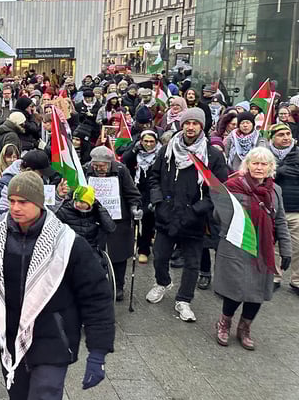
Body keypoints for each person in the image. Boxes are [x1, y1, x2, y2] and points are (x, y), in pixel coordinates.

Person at [0, 171, 115, 400]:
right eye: (12, 200)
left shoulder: (68, 244)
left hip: (53, 342)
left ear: (40, 203)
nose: (16, 207)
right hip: (10, 340)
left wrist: (98, 352)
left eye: (24, 201)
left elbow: (96, 296)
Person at [147, 108, 228, 321]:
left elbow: (219, 190)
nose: (190, 127)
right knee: (160, 257)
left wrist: (196, 210)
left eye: (195, 123)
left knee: (192, 264)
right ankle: (162, 282)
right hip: (167, 214)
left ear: (202, 126)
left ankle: (184, 300)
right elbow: (154, 177)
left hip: (194, 219)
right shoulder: (167, 150)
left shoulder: (213, 155)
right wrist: (158, 203)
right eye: (187, 123)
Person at [214, 147, 291, 350]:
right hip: (236, 245)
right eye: (255, 163)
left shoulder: (275, 191)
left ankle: (244, 328)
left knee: (258, 290)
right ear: (247, 165)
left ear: (270, 167)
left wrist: (286, 249)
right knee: (235, 288)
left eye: (263, 164)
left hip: (263, 248)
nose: (259, 167)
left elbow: (280, 221)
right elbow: (217, 216)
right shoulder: (231, 186)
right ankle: (224, 323)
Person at [83, 145, 142, 301]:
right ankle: (96, 286)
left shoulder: (121, 170)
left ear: (110, 163)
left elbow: (132, 193)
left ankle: (118, 286)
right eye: (95, 166)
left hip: (118, 219)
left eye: (102, 166)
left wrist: (135, 208)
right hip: (93, 219)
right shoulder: (86, 169)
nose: (98, 169)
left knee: (118, 255)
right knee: (93, 254)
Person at [267, 123, 299, 293]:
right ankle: (274, 276)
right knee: (273, 246)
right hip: (272, 209)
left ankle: (297, 280)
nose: (286, 137)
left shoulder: (297, 154)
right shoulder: (265, 155)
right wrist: (278, 171)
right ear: (272, 138)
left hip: (296, 209)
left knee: (297, 247)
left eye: (288, 134)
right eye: (281, 134)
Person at [121, 130, 161, 263]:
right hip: (136, 188)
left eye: (151, 142)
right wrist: (134, 149)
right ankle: (137, 245)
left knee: (148, 218)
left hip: (152, 190)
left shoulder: (160, 153)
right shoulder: (136, 152)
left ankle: (144, 249)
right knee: (136, 218)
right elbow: (124, 160)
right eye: (146, 141)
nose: (148, 144)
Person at [55, 185, 116, 250]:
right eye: (76, 200)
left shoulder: (97, 211)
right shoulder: (64, 210)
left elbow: (110, 228)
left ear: (90, 203)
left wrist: (102, 211)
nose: (77, 204)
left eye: (82, 202)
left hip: (91, 249)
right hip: (70, 249)